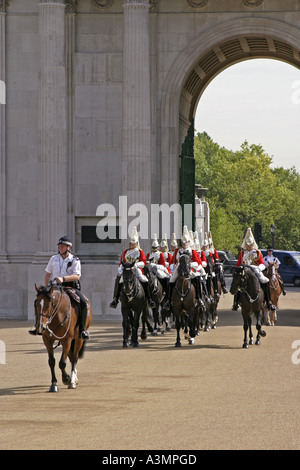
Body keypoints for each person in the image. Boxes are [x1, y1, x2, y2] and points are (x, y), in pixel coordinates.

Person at [29, 235, 89, 339]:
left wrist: (63, 279)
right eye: (59, 246)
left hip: (69, 286)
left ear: (68, 248)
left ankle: (82, 330)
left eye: (63, 246)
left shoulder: (75, 260)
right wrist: (44, 288)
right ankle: (37, 326)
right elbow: (47, 274)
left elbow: (77, 276)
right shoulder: (53, 259)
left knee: (83, 302)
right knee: (38, 301)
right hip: (54, 287)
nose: (60, 248)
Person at [110, 227, 156, 309]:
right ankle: (115, 299)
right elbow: (122, 261)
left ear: (137, 243)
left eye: (134, 243)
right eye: (131, 243)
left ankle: (149, 299)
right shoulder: (126, 252)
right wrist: (121, 267)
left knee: (144, 279)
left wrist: (136, 265)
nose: (132, 244)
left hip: (136, 269)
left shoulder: (140, 251)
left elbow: (144, 262)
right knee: (119, 279)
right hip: (126, 270)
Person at [232, 228, 276, 311]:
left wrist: (259, 268)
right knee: (238, 282)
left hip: (255, 269)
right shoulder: (242, 252)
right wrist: (237, 268)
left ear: (253, 244)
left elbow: (262, 263)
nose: (249, 246)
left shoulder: (257, 252)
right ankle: (235, 302)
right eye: (248, 244)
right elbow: (238, 263)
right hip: (245, 270)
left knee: (265, 281)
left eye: (250, 244)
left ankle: (269, 302)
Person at [164, 226, 205, 309]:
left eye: (186, 241)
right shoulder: (177, 251)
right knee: (171, 279)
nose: (184, 243)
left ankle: (199, 298)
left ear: (189, 242)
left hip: (189, 268)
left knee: (197, 278)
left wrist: (190, 265)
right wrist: (173, 265)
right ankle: (169, 300)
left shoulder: (192, 251)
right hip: (179, 267)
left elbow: (197, 262)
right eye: (183, 241)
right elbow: (173, 261)